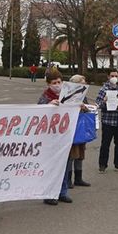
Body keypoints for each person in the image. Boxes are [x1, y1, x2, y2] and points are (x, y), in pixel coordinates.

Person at [38, 68, 73, 205]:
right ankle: (49, 194)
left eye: (59, 82)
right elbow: (37, 113)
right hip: (50, 137)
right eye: (54, 82)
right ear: (48, 84)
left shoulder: (68, 95)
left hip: (65, 136)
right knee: (52, 166)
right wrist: (48, 105)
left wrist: (80, 105)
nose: (57, 84)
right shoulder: (45, 96)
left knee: (65, 164)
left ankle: (62, 192)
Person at [67, 74, 93, 189]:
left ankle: (78, 178)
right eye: (82, 84)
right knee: (71, 155)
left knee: (81, 153)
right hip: (71, 128)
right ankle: (67, 179)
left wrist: (86, 108)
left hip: (81, 128)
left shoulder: (84, 96)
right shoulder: (67, 96)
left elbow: (87, 109)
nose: (84, 86)